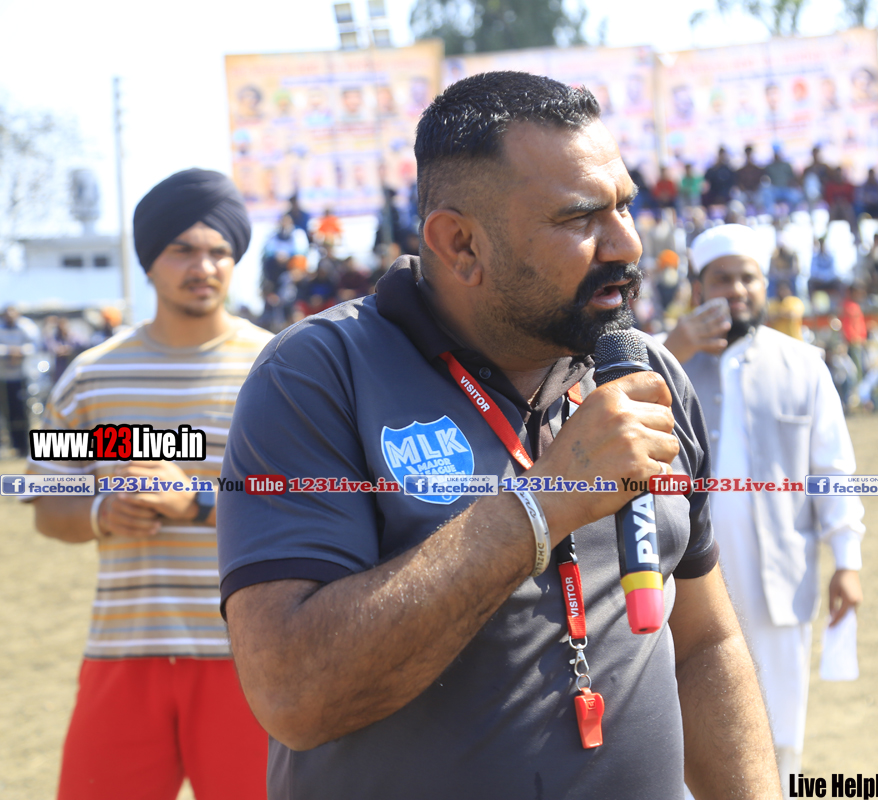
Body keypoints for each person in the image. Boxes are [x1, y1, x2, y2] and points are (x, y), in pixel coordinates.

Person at [217, 72, 780, 799]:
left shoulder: (644, 372)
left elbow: (703, 643)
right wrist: (542, 505)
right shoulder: (318, 375)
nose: (627, 243)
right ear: (459, 244)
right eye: (580, 218)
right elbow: (292, 694)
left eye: (624, 205)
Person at [26, 169, 272, 798]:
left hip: (250, 655)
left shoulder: (279, 370)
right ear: (149, 260)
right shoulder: (93, 379)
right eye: (183, 249)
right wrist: (100, 513)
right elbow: (48, 500)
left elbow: (319, 499)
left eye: (219, 251)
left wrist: (201, 504)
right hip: (124, 651)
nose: (203, 266)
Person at [663, 223, 865, 783]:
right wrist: (674, 349)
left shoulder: (803, 364)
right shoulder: (661, 356)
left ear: (766, 286)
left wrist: (847, 561)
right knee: (687, 729)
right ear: (698, 288)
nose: (736, 290)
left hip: (779, 577)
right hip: (680, 580)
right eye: (721, 279)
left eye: (748, 278)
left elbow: (832, 472)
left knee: (778, 728)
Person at [0, 305, 40, 457]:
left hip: (22, 377)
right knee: (7, 412)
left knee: (23, 411)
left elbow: (35, 345)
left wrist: (20, 352)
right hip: (4, 378)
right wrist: (9, 352)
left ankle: (24, 446)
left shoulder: (27, 327)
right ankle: (13, 445)